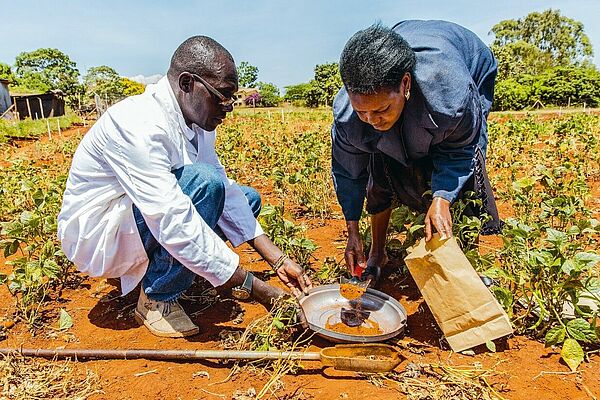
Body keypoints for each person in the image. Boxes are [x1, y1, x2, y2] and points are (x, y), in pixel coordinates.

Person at [58, 36, 312, 338]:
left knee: (246, 198)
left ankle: (188, 268)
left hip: (143, 216)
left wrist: (278, 260)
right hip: (102, 233)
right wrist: (257, 288)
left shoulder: (196, 121)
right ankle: (157, 297)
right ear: (188, 82)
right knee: (205, 185)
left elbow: (228, 195)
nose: (228, 107)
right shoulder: (139, 123)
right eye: (222, 95)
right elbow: (171, 217)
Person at [331, 21, 503, 284]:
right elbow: (348, 172)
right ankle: (378, 253)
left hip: (469, 62)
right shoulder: (348, 116)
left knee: (465, 174)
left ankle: (467, 260)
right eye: (362, 111)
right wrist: (352, 230)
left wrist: (442, 198)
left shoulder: (450, 97)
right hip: (410, 48)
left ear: (405, 84)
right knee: (381, 160)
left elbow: (461, 150)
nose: (371, 119)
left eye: (381, 110)